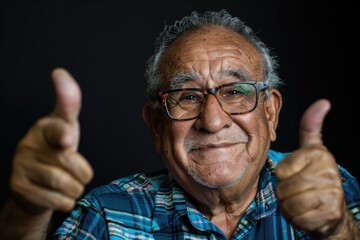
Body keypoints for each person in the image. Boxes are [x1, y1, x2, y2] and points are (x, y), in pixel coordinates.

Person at [0, 9, 359, 240]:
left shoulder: (332, 192)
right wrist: (26, 214)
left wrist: (339, 231)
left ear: (271, 112)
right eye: (188, 96)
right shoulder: (109, 216)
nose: (213, 120)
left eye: (235, 91)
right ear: (156, 125)